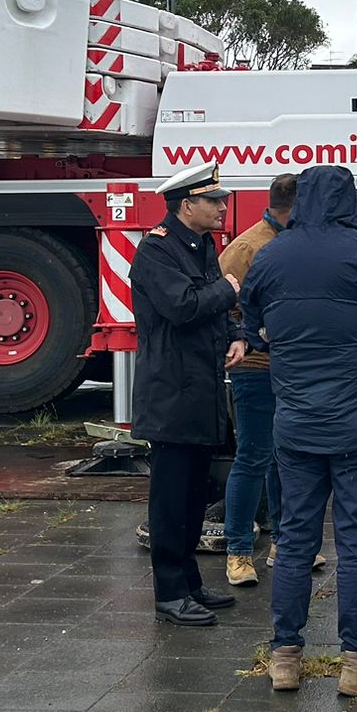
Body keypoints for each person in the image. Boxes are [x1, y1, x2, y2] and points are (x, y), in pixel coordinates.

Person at [239, 164, 357, 696]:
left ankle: (284, 657)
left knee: (295, 539)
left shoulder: (271, 254)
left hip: (294, 419)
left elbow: (250, 327)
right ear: (348, 200)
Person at [132, 162, 241, 627]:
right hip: (172, 391)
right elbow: (183, 306)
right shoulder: (156, 251)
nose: (222, 206)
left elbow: (215, 309)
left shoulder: (201, 246)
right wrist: (227, 288)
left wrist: (237, 332)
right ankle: (170, 591)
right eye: (214, 200)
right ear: (187, 205)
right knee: (171, 499)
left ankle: (191, 582)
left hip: (201, 388)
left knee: (195, 494)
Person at [217, 173, 295, 588]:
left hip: (290, 368)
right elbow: (223, 307)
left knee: (287, 457)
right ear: (294, 206)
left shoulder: (294, 241)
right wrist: (257, 334)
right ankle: (238, 551)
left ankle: (284, 543)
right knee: (253, 456)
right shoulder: (247, 247)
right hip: (255, 370)